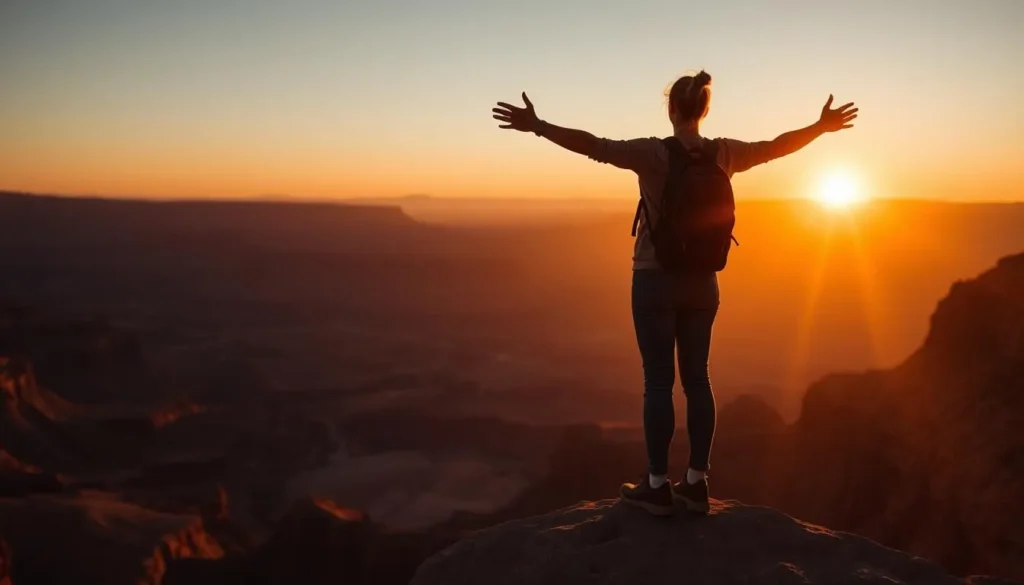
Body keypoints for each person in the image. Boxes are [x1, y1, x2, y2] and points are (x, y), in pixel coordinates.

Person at [492, 70, 857, 516]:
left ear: (671, 109)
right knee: (699, 379)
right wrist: (819, 128)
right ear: (704, 110)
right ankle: (698, 483)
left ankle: (657, 485)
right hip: (704, 281)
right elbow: (774, 147)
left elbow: (594, 146)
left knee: (658, 381)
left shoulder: (652, 153)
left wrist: (540, 126)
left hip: (653, 278)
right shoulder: (724, 153)